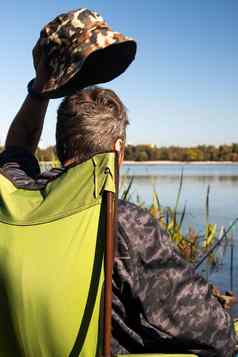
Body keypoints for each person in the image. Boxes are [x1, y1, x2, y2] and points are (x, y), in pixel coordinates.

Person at [0, 54, 237, 357]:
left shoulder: (12, 194)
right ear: (119, 149)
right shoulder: (126, 223)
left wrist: (40, 88)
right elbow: (216, 332)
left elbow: (17, 146)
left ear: (60, 146)